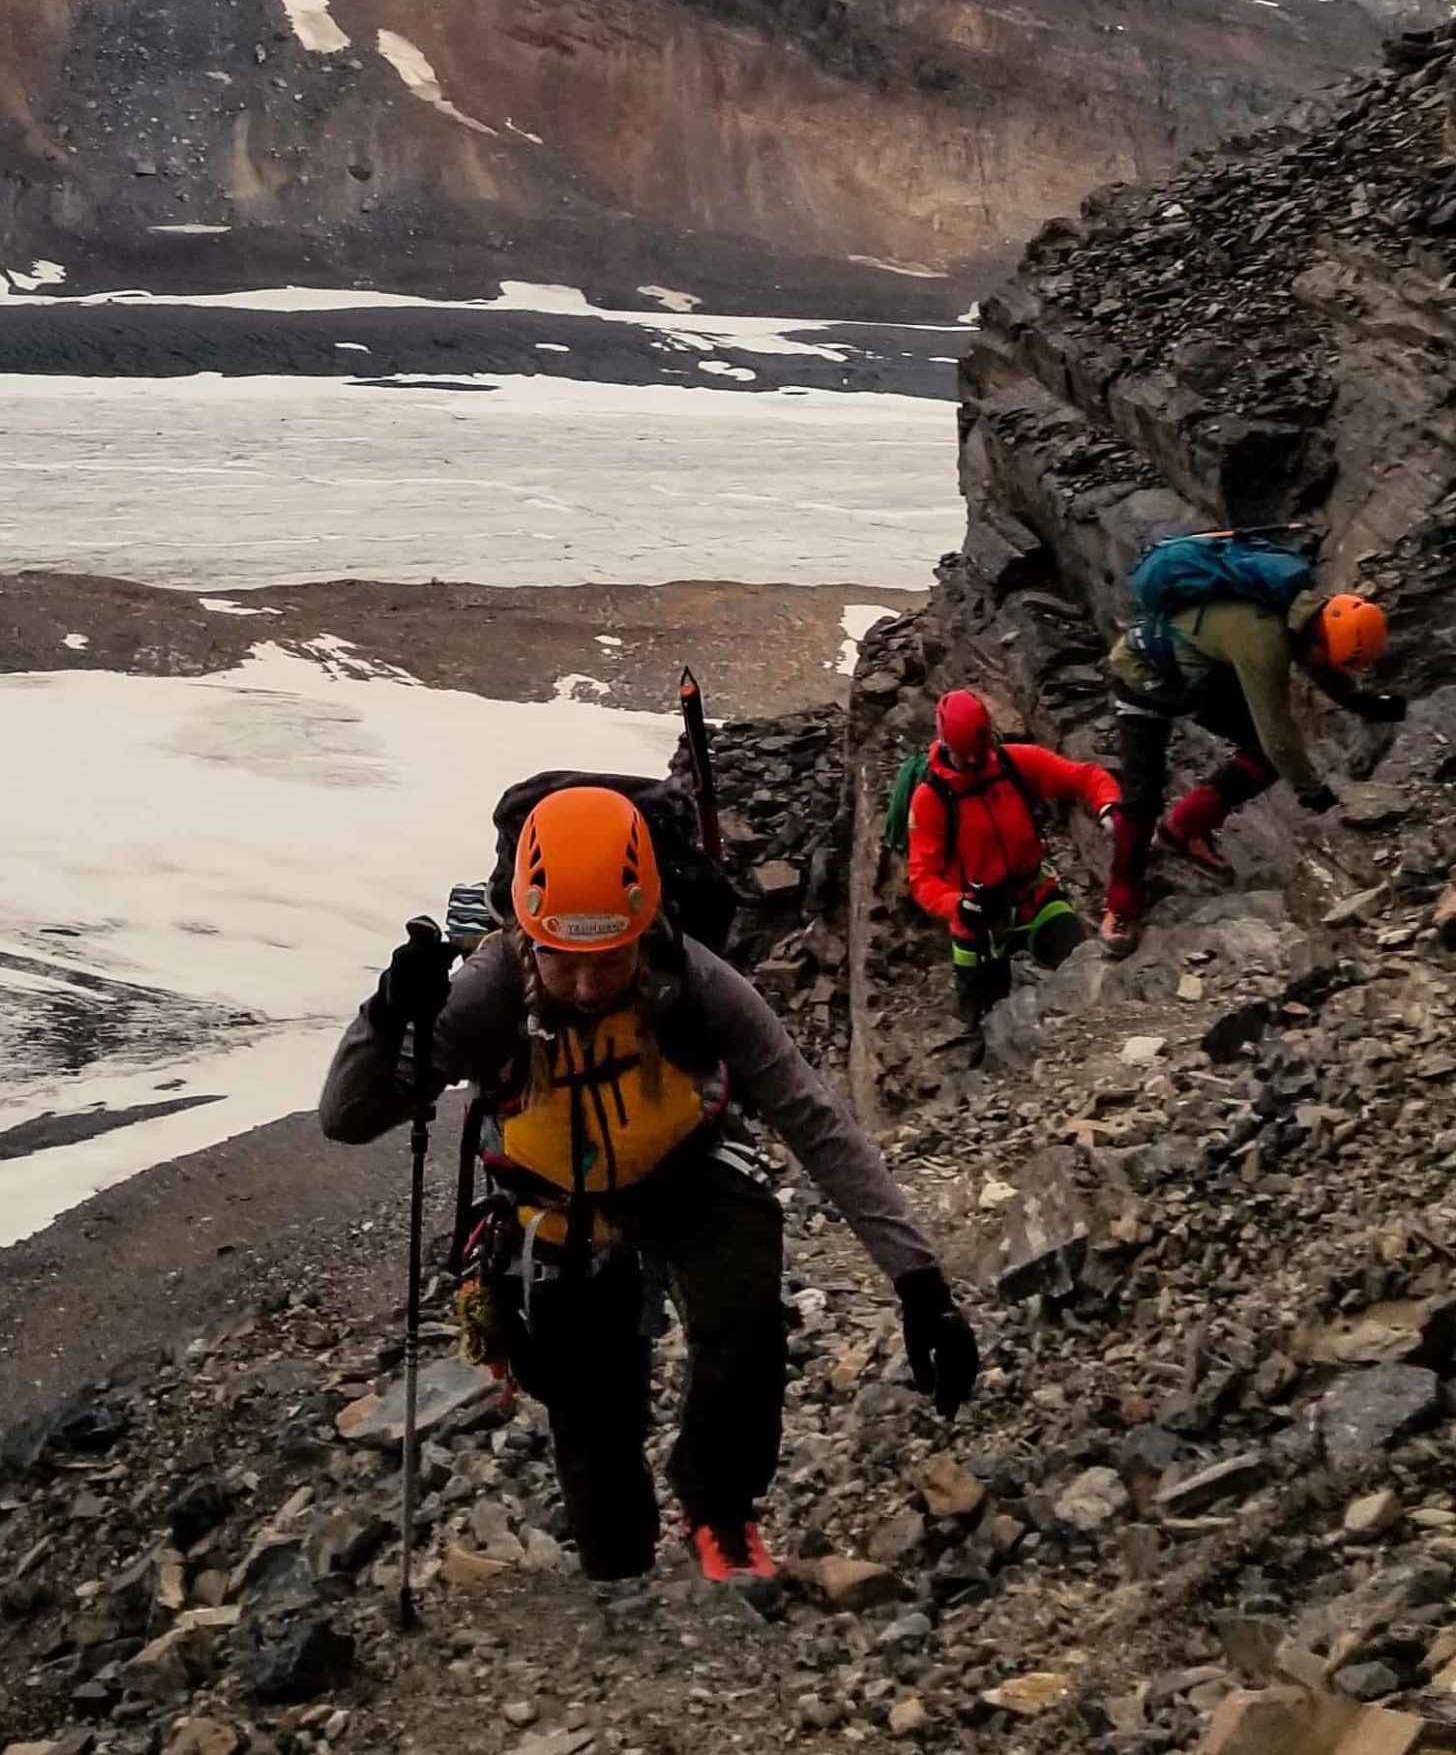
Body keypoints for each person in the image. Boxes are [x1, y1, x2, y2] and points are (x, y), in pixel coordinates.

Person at [319, 784, 978, 1594]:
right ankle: (618, 1570)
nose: (591, 986)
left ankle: (721, 1508)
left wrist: (920, 1282)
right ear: (527, 931)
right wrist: (383, 1021)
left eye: (610, 958)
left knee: (743, 1320)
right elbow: (348, 1118)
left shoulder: (692, 978)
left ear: (645, 928)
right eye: (565, 959)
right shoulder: (491, 991)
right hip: (553, 1208)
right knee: (592, 1417)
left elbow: (812, 1118)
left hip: (689, 1172)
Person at [1103, 588, 1403, 958]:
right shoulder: (1263, 641)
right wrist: (1312, 792)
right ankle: (1121, 907)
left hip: (1196, 677)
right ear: (1321, 637)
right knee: (1141, 799)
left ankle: (1184, 827)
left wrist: (1362, 702)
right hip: (1142, 678)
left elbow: (1320, 665)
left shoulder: (1305, 613)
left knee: (1262, 758)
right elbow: (1277, 733)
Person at [905, 689, 1119, 1046]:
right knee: (984, 1027)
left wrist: (1108, 805)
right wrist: (955, 905)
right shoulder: (931, 800)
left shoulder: (1015, 764)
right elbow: (922, 877)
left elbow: (1083, 776)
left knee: (1087, 971)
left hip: (1033, 898)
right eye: (964, 754)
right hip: (978, 921)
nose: (974, 760)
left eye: (980, 749)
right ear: (945, 745)